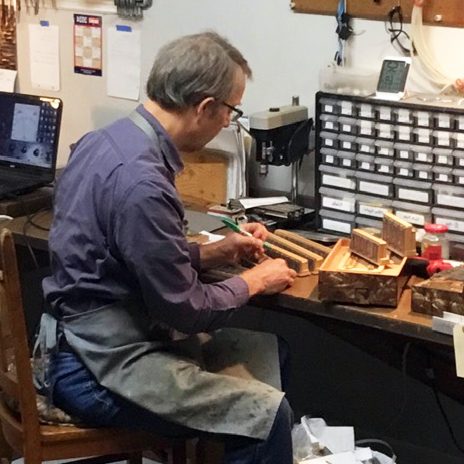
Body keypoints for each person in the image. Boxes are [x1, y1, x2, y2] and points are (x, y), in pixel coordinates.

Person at [36, 31, 297, 464]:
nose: (228, 123)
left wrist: (212, 253)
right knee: (266, 416)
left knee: (273, 353)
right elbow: (185, 309)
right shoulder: (143, 183)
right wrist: (253, 281)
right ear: (205, 107)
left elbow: (124, 256)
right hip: (97, 368)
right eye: (230, 111)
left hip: (74, 340)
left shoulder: (104, 141)